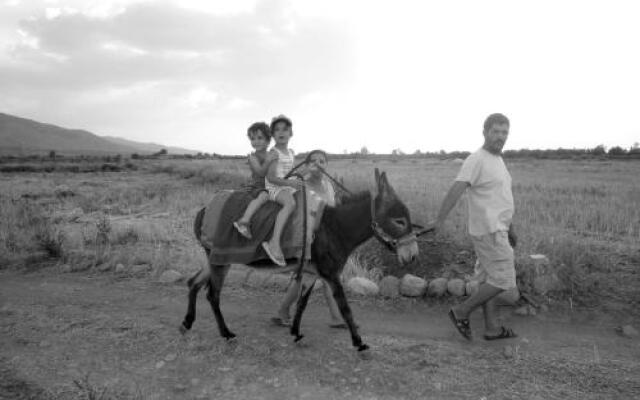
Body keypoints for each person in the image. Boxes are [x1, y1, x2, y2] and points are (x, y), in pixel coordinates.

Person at [430, 113, 518, 341]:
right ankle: (461, 312)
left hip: (498, 229)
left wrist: (511, 228)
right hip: (489, 231)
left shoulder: (497, 160)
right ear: (485, 132)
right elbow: (457, 188)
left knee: (491, 280)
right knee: (504, 280)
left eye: (505, 132)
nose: (501, 137)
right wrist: (440, 220)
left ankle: (492, 329)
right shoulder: (476, 159)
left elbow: (499, 197)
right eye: (496, 131)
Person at [272, 150, 344, 328]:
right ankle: (283, 312)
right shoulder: (300, 185)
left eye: (322, 161)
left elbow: (331, 211)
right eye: (313, 161)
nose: (318, 164)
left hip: (324, 240)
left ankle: (336, 318)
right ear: (306, 165)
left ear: (326, 165)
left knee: (319, 279)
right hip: (308, 239)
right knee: (309, 278)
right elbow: (299, 214)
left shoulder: (328, 185)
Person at [261, 115, 304, 266]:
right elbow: (271, 177)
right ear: (272, 135)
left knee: (308, 196)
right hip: (275, 187)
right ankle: (274, 242)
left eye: (285, 129)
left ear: (291, 133)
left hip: (286, 184)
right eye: (277, 129)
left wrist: (298, 181)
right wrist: (290, 184)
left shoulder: (291, 152)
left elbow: (290, 172)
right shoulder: (274, 153)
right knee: (290, 204)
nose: (281, 132)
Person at [233, 122, 277, 239]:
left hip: (272, 184)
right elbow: (260, 172)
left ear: (268, 140)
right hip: (259, 186)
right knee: (264, 196)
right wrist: (269, 161)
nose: (255, 141)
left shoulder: (271, 154)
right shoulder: (252, 157)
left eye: (259, 138)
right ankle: (244, 221)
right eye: (252, 138)